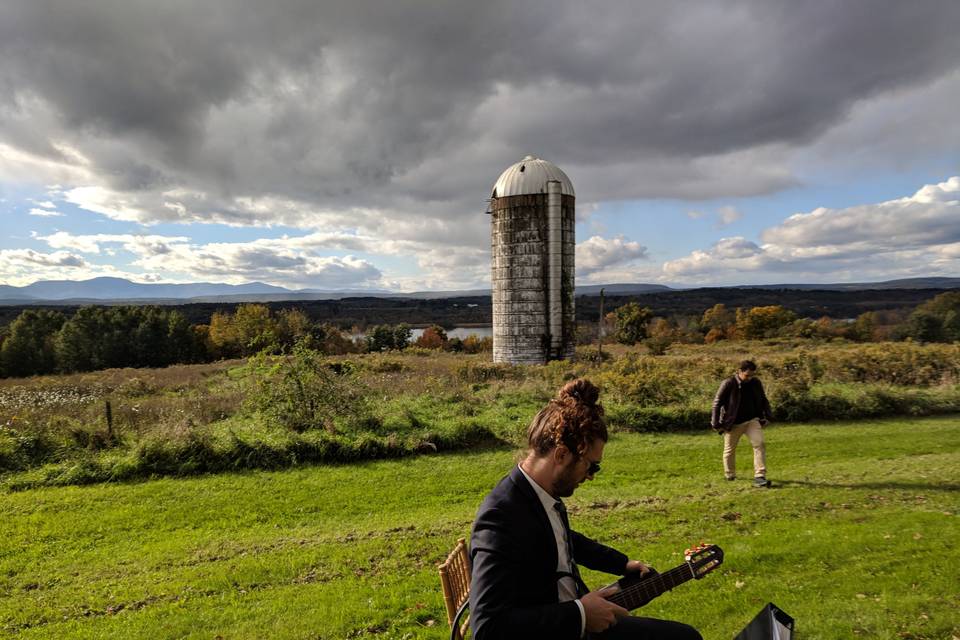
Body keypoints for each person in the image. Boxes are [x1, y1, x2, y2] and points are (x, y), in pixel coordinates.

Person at [469, 378, 703, 640]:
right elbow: (488, 627)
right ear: (561, 455)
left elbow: (564, 539)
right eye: (591, 466)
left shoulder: (536, 494)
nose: (592, 476)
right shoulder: (502, 517)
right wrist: (580, 614)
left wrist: (622, 563)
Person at [710, 360, 773, 487]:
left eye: (752, 375)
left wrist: (768, 416)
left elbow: (763, 399)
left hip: (752, 420)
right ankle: (730, 474)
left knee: (759, 444)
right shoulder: (728, 383)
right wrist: (715, 423)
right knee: (729, 450)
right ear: (740, 371)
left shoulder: (756, 382)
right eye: (747, 375)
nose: (749, 378)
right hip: (734, 423)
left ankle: (760, 476)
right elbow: (717, 403)